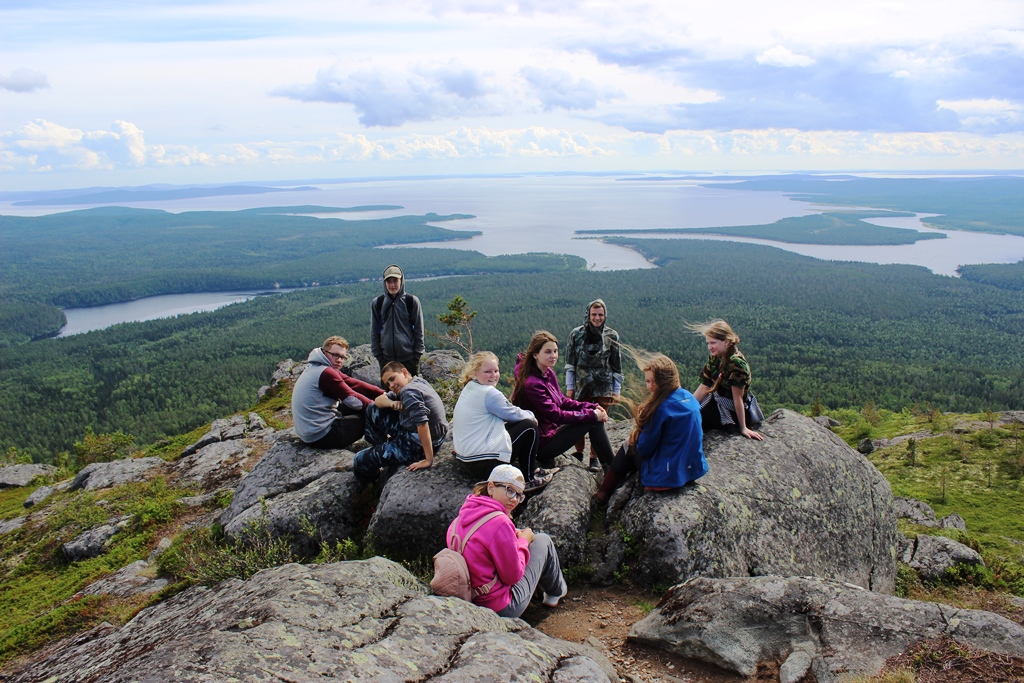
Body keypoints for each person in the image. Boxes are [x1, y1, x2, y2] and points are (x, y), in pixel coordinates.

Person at [448, 464, 568, 618]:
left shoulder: (462, 517)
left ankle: (552, 591)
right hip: (500, 607)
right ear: (491, 487)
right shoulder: (500, 523)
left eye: (519, 495)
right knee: (542, 540)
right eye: (509, 490)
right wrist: (523, 541)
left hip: (467, 596)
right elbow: (513, 576)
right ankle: (555, 592)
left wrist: (513, 536)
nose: (514, 500)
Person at [595, 353, 707, 503]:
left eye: (651, 382)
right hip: (692, 470)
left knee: (630, 444)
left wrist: (638, 432)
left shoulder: (659, 409)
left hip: (665, 477)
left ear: (663, 382)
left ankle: (603, 493)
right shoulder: (691, 398)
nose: (648, 387)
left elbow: (644, 449)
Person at [452, 352, 557, 492]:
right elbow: (512, 413)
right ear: (475, 373)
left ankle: (530, 469)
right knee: (529, 427)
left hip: (465, 460)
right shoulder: (489, 393)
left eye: (496, 371)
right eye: (487, 372)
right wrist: (531, 416)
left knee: (517, 426)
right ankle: (528, 479)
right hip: (482, 464)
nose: (493, 375)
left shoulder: (470, 387)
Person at [511, 331, 614, 471]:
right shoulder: (532, 384)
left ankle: (611, 469)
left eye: (555, 351)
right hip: (541, 445)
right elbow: (556, 415)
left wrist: (592, 406)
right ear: (535, 354)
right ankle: (613, 469)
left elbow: (563, 401)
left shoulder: (547, 372)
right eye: (548, 352)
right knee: (593, 420)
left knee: (594, 417)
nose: (553, 356)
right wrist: (593, 414)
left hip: (550, 433)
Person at [352, 361, 449, 481]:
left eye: (392, 379)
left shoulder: (409, 392)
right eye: (388, 384)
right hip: (422, 436)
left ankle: (372, 482)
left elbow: (422, 424)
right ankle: (381, 448)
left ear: (403, 372)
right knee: (373, 409)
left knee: (359, 460)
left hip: (417, 447)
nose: (391, 385)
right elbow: (378, 400)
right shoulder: (417, 382)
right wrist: (392, 403)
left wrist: (428, 460)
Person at [291, 336, 384, 449]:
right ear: (324, 352)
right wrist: (381, 408)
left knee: (361, 405)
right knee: (368, 416)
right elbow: (353, 400)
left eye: (342, 357)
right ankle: (383, 447)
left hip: (309, 432)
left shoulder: (317, 367)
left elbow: (354, 384)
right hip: (321, 436)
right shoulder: (326, 373)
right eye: (335, 355)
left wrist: (384, 394)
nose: (339, 360)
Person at [565, 299, 622, 470]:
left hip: (604, 387)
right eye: (594, 315)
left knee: (599, 422)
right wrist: (570, 388)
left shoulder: (612, 336)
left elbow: (616, 365)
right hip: (582, 386)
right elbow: (570, 363)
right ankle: (579, 451)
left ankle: (594, 457)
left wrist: (616, 390)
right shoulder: (576, 334)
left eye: (600, 315)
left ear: (605, 316)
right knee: (578, 419)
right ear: (588, 315)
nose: (597, 318)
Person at [688, 319, 765, 440]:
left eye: (713, 343)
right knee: (687, 414)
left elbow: (737, 398)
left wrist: (743, 427)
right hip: (717, 399)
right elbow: (705, 385)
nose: (710, 347)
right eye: (708, 343)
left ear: (727, 342)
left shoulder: (737, 364)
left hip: (732, 409)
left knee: (694, 419)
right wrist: (688, 406)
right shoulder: (715, 357)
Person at [370, 264, 424, 376]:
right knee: (390, 392)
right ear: (384, 283)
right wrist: (379, 357)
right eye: (389, 281)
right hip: (386, 360)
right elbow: (374, 331)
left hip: (409, 360)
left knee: (410, 392)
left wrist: (417, 355)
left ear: (401, 280)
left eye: (395, 280)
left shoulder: (411, 301)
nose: (392, 285)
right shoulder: (378, 303)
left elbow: (419, 330)